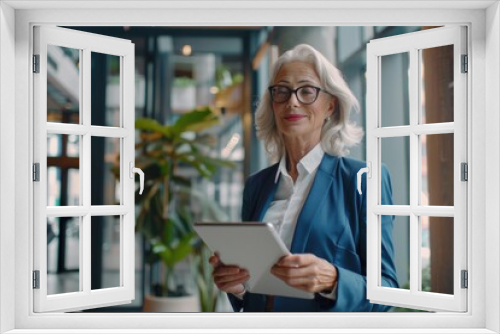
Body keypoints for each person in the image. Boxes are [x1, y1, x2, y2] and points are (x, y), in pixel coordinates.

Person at [209, 44, 398, 312]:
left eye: (307, 91)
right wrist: (237, 286)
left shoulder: (363, 180)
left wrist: (332, 279)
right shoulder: (257, 185)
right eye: (282, 91)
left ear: (330, 105)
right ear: (273, 105)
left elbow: (388, 292)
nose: (292, 101)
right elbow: (255, 291)